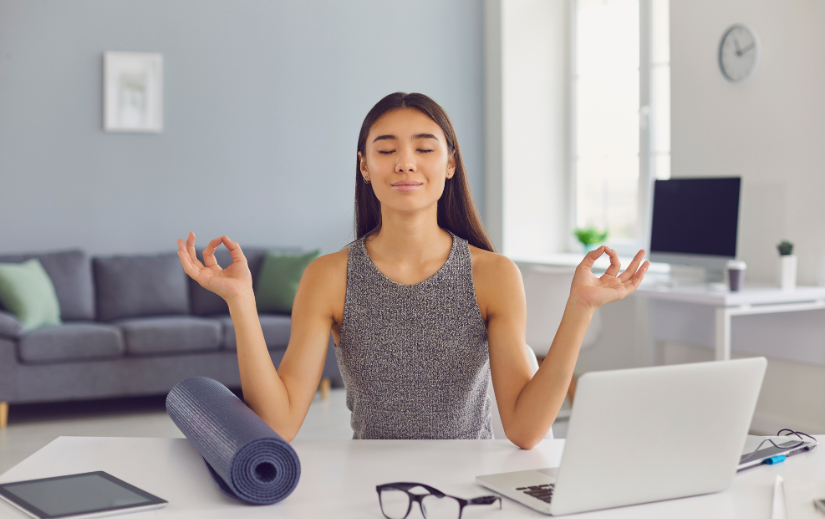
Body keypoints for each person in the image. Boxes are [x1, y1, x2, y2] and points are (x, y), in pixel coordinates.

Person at [177, 92, 649, 449]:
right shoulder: (329, 275)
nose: (405, 162)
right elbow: (279, 424)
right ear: (364, 166)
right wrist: (241, 301)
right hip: (372, 487)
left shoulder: (494, 275)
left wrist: (580, 307)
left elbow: (526, 431)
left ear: (449, 164)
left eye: (425, 148)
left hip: (470, 486)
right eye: (386, 150)